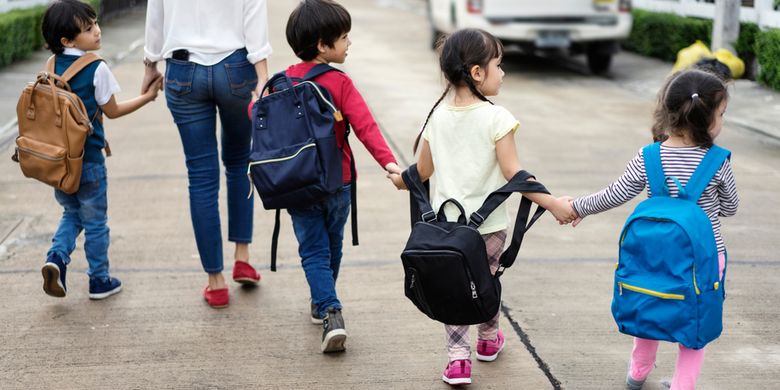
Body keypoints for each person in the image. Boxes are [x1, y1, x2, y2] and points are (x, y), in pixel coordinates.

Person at [388, 28, 577, 386]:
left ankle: (459, 359)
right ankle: (487, 342)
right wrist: (552, 204)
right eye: (498, 65)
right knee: (483, 280)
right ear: (477, 72)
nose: (502, 73)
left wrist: (400, 179)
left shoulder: (437, 118)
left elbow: (422, 171)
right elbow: (514, 174)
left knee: (455, 284)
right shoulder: (497, 118)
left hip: (448, 230)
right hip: (488, 227)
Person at [569, 69, 739, 390]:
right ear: (707, 120)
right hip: (705, 259)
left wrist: (577, 207)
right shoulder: (718, 162)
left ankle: (638, 371)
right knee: (694, 319)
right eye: (722, 114)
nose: (723, 121)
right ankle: (682, 385)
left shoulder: (649, 157)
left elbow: (614, 193)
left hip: (652, 256)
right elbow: (731, 208)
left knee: (651, 304)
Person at [278, 0, 401, 353]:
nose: (349, 43)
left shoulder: (283, 81)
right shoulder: (340, 83)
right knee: (332, 246)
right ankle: (329, 309)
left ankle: (324, 304)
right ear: (322, 44)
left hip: (297, 183)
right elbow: (366, 127)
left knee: (313, 250)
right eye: (344, 37)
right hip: (338, 181)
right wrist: (390, 164)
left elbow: (259, 116)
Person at [142, 0, 272, 308]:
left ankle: (216, 283)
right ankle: (242, 257)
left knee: (201, 177)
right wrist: (263, 76)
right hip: (236, 68)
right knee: (240, 163)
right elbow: (254, 16)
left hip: (182, 71)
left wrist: (150, 65)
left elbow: (155, 17)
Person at [39, 0, 162, 300]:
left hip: (58, 163)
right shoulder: (96, 67)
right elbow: (114, 110)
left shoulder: (50, 66)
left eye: (95, 23)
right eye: (88, 28)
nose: (97, 31)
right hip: (89, 161)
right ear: (67, 40)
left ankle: (56, 257)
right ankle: (99, 280)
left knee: (72, 213)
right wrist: (147, 97)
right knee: (95, 223)